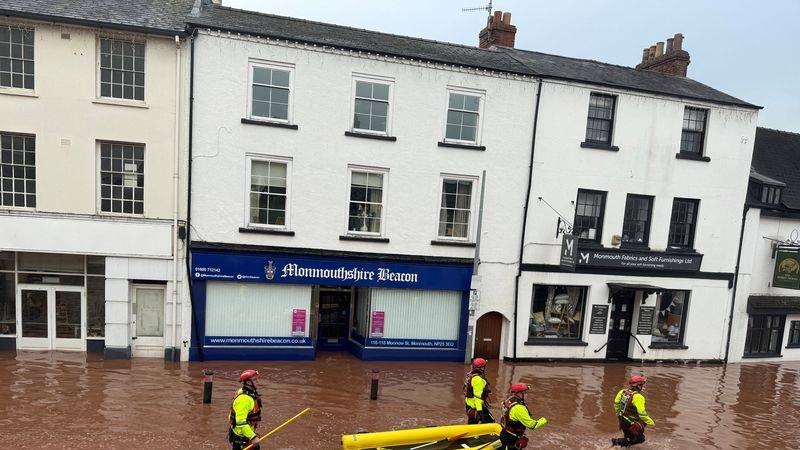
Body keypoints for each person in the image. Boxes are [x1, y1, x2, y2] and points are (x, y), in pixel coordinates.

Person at [499, 383, 547, 449]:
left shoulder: (509, 401)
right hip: (512, 438)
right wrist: (544, 420)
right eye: (525, 392)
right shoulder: (519, 408)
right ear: (519, 393)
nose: (527, 394)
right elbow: (532, 425)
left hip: (505, 433)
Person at [612, 375, 654, 447]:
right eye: (641, 385)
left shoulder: (622, 392)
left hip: (622, 420)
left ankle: (622, 445)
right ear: (637, 386)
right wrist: (651, 423)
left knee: (628, 437)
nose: (642, 387)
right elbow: (642, 414)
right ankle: (616, 442)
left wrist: (619, 415)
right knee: (640, 439)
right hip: (631, 423)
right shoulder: (639, 397)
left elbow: (616, 404)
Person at [228, 369, 263, 450]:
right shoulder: (244, 399)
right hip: (241, 436)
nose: (258, 382)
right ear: (248, 382)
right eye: (255, 380)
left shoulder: (246, 391)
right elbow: (240, 422)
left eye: (257, 379)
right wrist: (253, 437)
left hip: (245, 433)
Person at [464, 357, 492, 424]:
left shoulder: (471, 375)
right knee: (490, 422)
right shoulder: (477, 379)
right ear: (482, 368)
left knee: (472, 423)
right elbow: (477, 397)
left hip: (469, 404)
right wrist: (480, 411)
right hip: (475, 407)